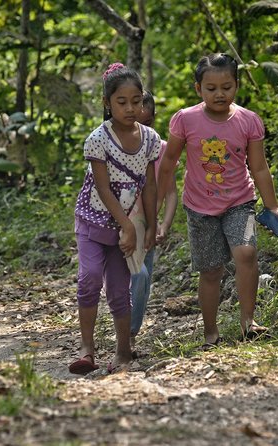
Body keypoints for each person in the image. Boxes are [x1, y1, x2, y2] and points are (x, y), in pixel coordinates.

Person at [157, 53, 278, 348]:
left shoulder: (248, 121)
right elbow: (168, 163)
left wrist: (272, 206)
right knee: (211, 270)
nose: (219, 94)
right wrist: (158, 202)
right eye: (211, 88)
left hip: (240, 202)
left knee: (246, 254)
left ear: (236, 86)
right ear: (198, 89)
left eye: (226, 87)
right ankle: (210, 331)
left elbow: (260, 168)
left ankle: (248, 322)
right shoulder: (185, 120)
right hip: (199, 208)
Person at [69, 63, 161, 375]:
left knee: (121, 290)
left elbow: (149, 186)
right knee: (90, 278)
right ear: (108, 104)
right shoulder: (98, 139)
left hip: (129, 228)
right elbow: (103, 188)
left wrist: (150, 224)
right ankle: (87, 348)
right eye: (121, 102)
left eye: (136, 101)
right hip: (94, 222)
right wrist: (126, 226)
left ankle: (123, 351)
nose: (130, 108)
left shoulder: (150, 139)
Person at [129, 90, 179, 353]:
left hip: (149, 227)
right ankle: (126, 333)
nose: (142, 128)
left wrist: (164, 225)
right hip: (123, 226)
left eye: (147, 123)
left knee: (143, 284)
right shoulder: (116, 146)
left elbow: (170, 192)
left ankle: (130, 334)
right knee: (139, 276)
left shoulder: (161, 150)